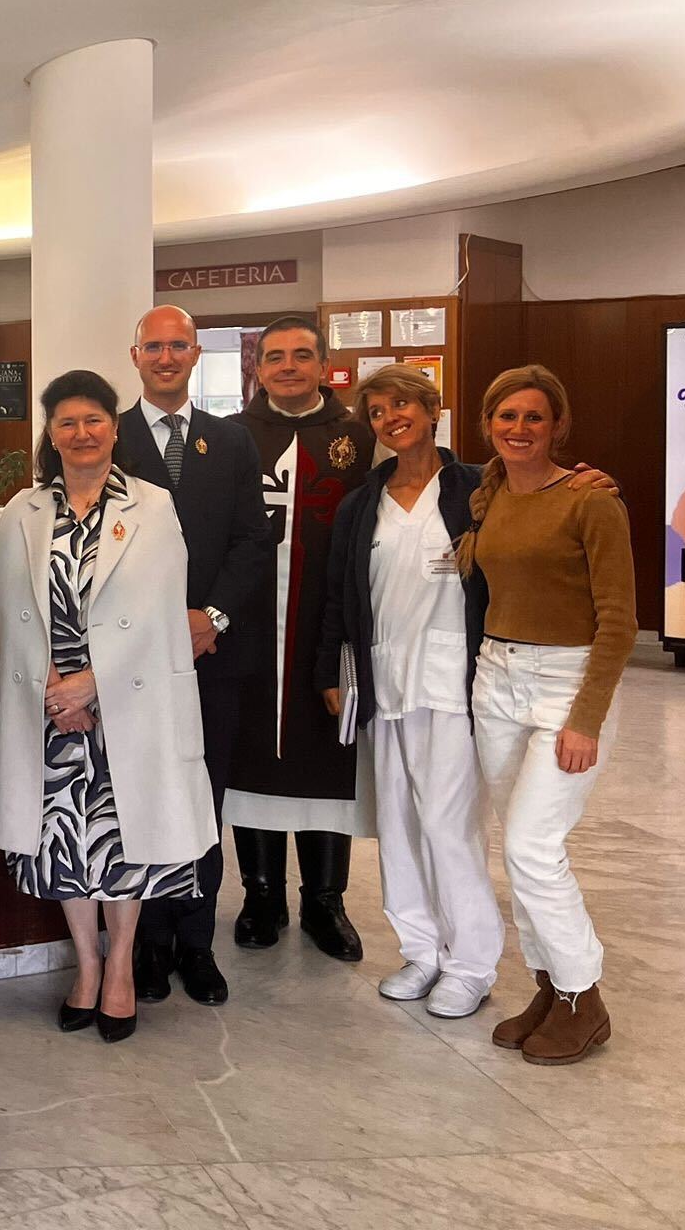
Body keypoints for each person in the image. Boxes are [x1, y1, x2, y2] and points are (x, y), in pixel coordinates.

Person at [0, 370, 218, 1044]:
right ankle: (85, 968)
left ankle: (121, 966)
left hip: (129, 700)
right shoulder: (23, 512)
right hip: (53, 709)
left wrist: (95, 683)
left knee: (125, 844)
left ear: (115, 428)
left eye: (94, 419)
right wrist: (58, 693)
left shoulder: (152, 506)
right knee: (64, 843)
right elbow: (10, 614)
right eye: (67, 422)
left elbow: (159, 616)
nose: (82, 433)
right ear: (51, 434)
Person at [459, 365, 636, 1065]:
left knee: (535, 846)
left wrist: (587, 718)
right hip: (495, 679)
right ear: (488, 424)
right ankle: (549, 985)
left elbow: (620, 620)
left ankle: (583, 997)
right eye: (507, 417)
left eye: (535, 418)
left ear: (558, 425)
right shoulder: (490, 492)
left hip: (566, 682)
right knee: (516, 845)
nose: (520, 429)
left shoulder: (591, 500)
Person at [318, 364, 505, 1019]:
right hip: (385, 684)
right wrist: (330, 676)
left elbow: (542, 522)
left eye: (402, 405)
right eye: (376, 412)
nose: (391, 418)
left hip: (452, 683)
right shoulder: (362, 503)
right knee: (396, 823)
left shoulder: (479, 488)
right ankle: (421, 949)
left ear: (432, 409)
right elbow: (339, 598)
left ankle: (471, 963)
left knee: (448, 826)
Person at [115, 305, 272, 1007]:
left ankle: (196, 943)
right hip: (130, 661)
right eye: (156, 346)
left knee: (204, 796)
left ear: (197, 355)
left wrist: (211, 616)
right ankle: (146, 945)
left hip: (212, 653)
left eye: (180, 346)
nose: (168, 356)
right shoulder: (106, 437)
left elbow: (252, 541)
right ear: (135, 355)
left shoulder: (231, 442)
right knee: (139, 794)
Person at [225, 315, 376, 962]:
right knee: (251, 755)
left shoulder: (359, 437)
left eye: (301, 356)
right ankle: (261, 895)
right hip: (250, 627)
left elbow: (432, 478)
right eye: (275, 356)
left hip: (325, 625)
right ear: (258, 367)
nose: (287, 366)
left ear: (323, 366)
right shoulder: (229, 438)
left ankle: (324, 901)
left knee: (324, 758)